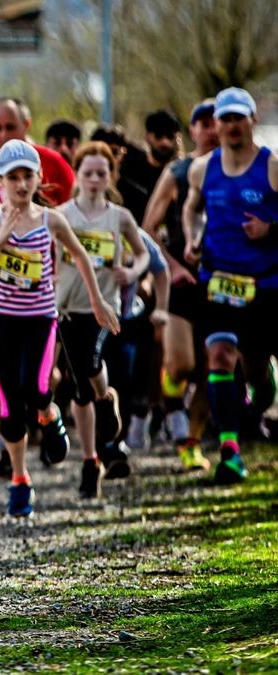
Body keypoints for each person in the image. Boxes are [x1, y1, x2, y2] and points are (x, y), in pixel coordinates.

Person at [0, 140, 119, 517]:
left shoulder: (50, 219)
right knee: (7, 407)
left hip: (40, 319)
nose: (21, 185)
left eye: (27, 176)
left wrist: (98, 301)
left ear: (39, 178)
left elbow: (82, 256)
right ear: (0, 181)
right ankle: (20, 479)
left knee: (36, 388)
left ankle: (49, 413)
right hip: (1, 320)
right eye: (13, 178)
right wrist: (2, 236)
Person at [181, 87, 278, 485]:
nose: (232, 125)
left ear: (252, 120)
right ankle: (229, 451)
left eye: (239, 117)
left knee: (256, 372)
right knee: (219, 357)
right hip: (218, 280)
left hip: (266, 284)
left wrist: (271, 228)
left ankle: (264, 387)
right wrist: (191, 236)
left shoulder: (271, 167)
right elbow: (191, 207)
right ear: (216, 124)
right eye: (226, 118)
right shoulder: (202, 168)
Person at [55, 141, 151, 498]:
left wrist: (131, 271)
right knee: (79, 386)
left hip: (102, 308)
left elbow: (143, 255)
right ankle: (90, 459)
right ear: (77, 175)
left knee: (89, 361)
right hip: (66, 305)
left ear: (110, 176)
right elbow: (50, 259)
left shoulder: (120, 217)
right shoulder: (62, 215)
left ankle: (105, 396)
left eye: (101, 173)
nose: (95, 179)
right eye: (88, 173)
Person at [141, 99, 218, 470]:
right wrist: (170, 266)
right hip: (181, 280)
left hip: (222, 279)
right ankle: (171, 405)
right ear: (192, 131)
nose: (211, 129)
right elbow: (146, 229)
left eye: (215, 122)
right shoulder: (178, 171)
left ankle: (191, 442)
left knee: (211, 369)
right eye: (202, 124)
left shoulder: (244, 171)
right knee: (181, 364)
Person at [0, 98, 74, 206]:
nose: (3, 134)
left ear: (26, 125)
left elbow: (73, 206)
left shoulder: (54, 162)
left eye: (10, 127)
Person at [119, 109, 182, 225]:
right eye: (159, 136)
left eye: (170, 136)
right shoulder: (130, 167)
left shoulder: (181, 173)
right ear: (147, 137)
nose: (165, 142)